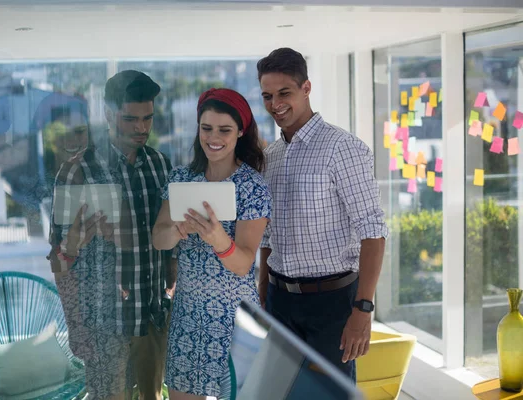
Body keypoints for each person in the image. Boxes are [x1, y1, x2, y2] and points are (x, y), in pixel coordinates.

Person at [257, 48, 389, 381]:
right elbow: (268, 236)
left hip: (331, 305)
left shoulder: (342, 148)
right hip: (278, 301)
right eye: (267, 96)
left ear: (306, 88)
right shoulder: (270, 157)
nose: (276, 104)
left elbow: (372, 231)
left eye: (284, 93)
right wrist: (263, 296)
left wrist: (364, 309)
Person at [47, 70, 174, 400]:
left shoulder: (162, 167)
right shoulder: (77, 171)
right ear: (106, 113)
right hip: (103, 325)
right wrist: (76, 327)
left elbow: (170, 252)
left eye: (147, 118)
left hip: (152, 316)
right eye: (130, 119)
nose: (141, 128)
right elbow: (58, 259)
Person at [152, 88, 272, 400]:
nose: (213, 137)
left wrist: (218, 239)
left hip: (235, 319)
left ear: (240, 132)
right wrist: (178, 230)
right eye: (206, 128)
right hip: (188, 316)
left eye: (224, 129)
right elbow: (159, 239)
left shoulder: (252, 186)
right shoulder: (181, 178)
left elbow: (244, 262)